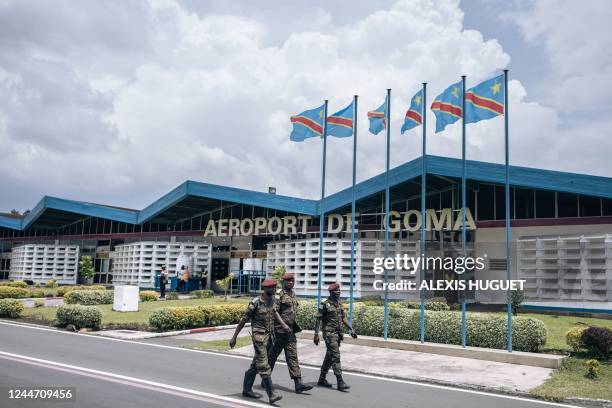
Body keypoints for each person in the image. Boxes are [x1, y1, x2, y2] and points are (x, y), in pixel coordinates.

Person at [229, 278, 290, 404]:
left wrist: (283, 325)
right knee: (263, 364)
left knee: (256, 364)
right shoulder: (255, 302)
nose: (274, 289)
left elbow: (275, 313)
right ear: (265, 289)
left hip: (270, 337)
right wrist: (234, 337)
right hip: (259, 337)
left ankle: (246, 389)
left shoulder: (273, 300)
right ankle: (271, 394)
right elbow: (244, 320)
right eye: (272, 287)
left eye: (275, 287)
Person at [266, 273, 313, 394]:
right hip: (279, 331)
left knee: (292, 356)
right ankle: (265, 379)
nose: (291, 283)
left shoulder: (293, 294)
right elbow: (274, 310)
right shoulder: (279, 294)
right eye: (289, 281)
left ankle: (298, 384)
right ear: (284, 282)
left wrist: (290, 325)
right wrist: (283, 324)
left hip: (290, 331)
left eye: (293, 281)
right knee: (272, 357)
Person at [313, 282, 357, 391]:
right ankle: (340, 381)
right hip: (329, 334)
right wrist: (316, 334)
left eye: (339, 290)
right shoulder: (324, 303)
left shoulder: (339, 303)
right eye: (335, 291)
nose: (338, 292)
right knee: (336, 356)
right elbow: (318, 319)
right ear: (331, 292)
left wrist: (351, 329)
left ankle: (321, 379)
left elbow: (344, 318)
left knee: (329, 356)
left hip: (337, 334)